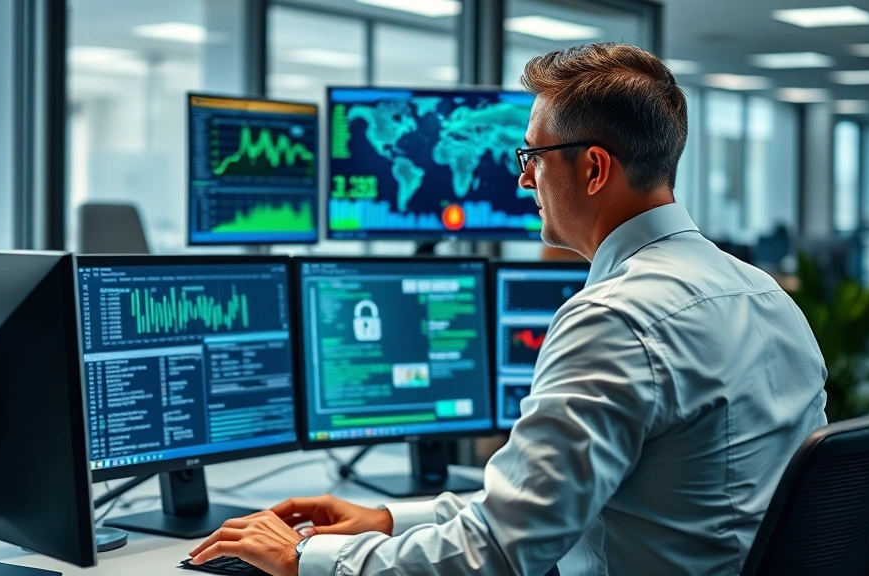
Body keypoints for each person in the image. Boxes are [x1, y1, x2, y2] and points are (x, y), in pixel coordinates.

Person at [187, 43, 828, 576]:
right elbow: (545, 503)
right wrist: (386, 518)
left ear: (595, 168)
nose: (523, 180)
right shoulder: (767, 295)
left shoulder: (616, 319)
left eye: (532, 157)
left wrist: (310, 557)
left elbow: (501, 551)